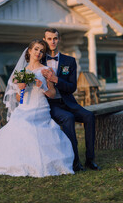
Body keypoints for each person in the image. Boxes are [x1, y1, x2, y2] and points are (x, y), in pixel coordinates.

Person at [0, 39, 74, 177]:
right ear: (30, 51)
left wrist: (42, 86)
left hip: (40, 107)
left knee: (30, 127)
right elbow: (19, 98)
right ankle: (19, 162)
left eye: (41, 51)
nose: (38, 53)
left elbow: (53, 94)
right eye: (36, 49)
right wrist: (20, 89)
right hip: (24, 108)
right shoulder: (20, 72)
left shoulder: (47, 70)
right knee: (12, 128)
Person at [41, 28, 101, 172]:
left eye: (55, 38)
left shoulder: (69, 61)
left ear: (59, 39)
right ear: (45, 40)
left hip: (68, 101)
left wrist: (56, 79)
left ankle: (90, 160)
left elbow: (72, 87)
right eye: (49, 39)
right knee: (68, 118)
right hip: (51, 104)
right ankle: (74, 162)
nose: (52, 41)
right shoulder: (39, 60)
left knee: (89, 116)